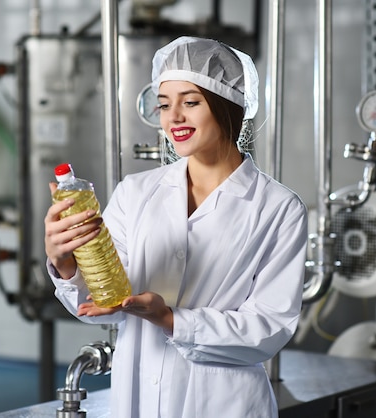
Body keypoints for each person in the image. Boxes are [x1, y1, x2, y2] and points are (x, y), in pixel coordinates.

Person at [44, 36, 308, 418]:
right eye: (165, 104)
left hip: (225, 404)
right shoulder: (136, 192)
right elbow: (104, 302)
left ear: (227, 105)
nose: (174, 118)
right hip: (137, 399)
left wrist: (169, 319)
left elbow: (268, 328)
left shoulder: (278, 208)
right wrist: (66, 262)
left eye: (191, 102)